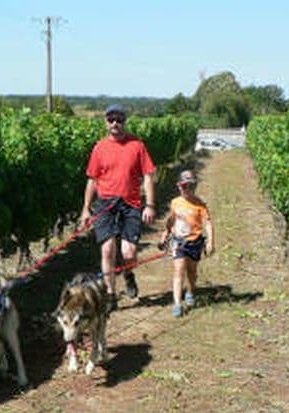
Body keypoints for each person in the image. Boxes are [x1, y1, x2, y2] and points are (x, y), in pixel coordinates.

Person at [81, 104, 156, 311]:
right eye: (111, 119)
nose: (115, 123)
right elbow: (92, 180)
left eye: (119, 119)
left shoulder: (137, 146)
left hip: (131, 204)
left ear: (125, 121)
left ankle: (129, 274)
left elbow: (148, 176)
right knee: (107, 250)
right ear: (106, 122)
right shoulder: (99, 147)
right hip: (105, 204)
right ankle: (111, 295)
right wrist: (86, 209)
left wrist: (149, 205)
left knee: (129, 252)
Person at [158, 170, 214, 317]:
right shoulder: (175, 203)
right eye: (184, 186)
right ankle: (177, 303)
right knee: (178, 270)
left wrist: (210, 242)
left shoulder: (200, 204)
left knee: (192, 271)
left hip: (195, 242)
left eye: (191, 187)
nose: (188, 190)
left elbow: (207, 223)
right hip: (178, 242)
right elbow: (171, 221)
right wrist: (165, 235)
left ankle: (190, 291)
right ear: (179, 186)